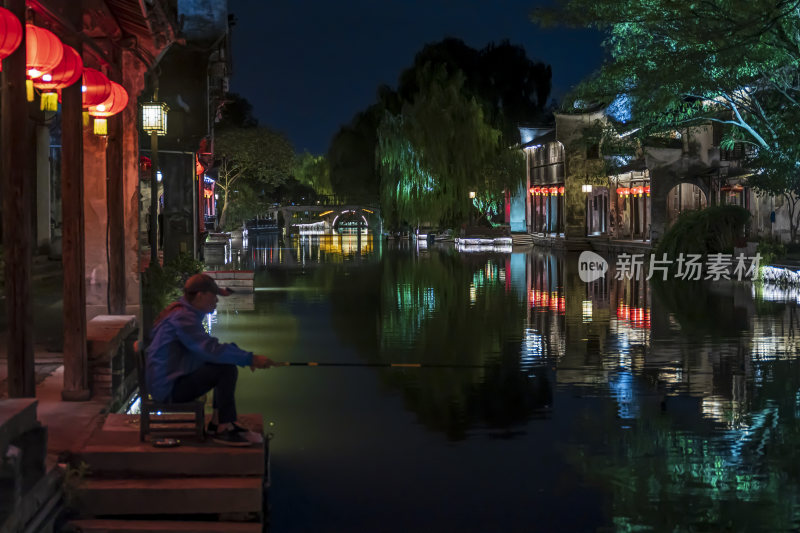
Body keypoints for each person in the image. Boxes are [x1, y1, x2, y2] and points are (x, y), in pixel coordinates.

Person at [146, 272, 277, 446]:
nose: (216, 301)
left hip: (168, 379)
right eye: (213, 296)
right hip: (169, 387)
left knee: (225, 363)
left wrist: (239, 355)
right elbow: (209, 350)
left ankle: (218, 423)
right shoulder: (183, 318)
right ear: (200, 295)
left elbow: (207, 350)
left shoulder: (179, 311)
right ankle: (223, 428)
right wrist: (249, 359)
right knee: (226, 369)